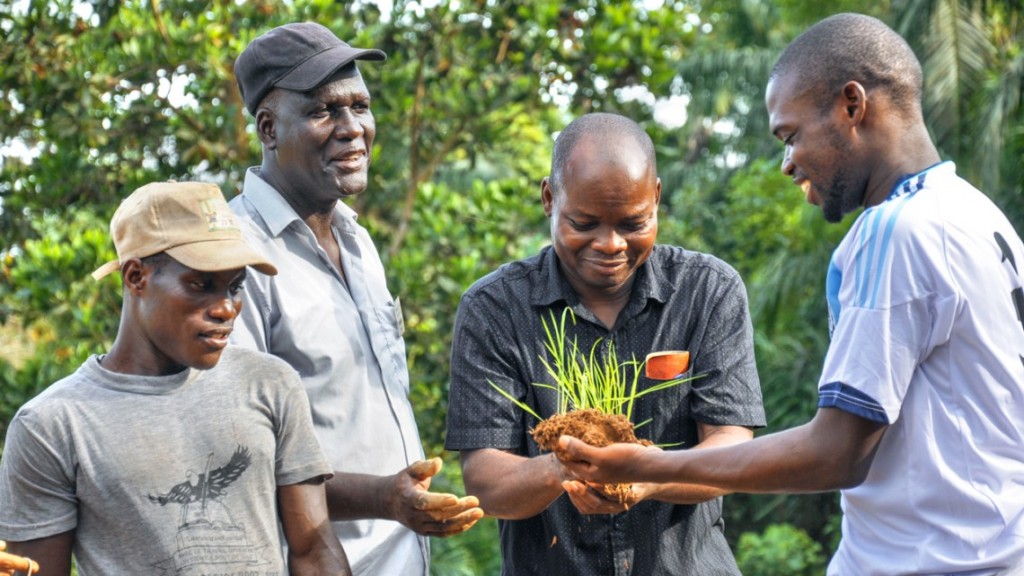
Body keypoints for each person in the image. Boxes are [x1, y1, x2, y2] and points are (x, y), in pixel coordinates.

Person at [558, 13, 1024, 576]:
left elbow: (837, 453)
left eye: (791, 135)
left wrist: (649, 467)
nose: (786, 163)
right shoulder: (977, 215)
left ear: (852, 105)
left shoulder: (898, 231)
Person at [444, 112, 766, 575]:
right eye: (585, 222)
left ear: (656, 198)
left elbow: (731, 447)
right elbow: (487, 480)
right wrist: (565, 468)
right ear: (549, 198)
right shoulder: (494, 309)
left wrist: (650, 474)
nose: (611, 244)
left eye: (633, 223)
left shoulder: (708, 291)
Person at [227, 21, 483, 576]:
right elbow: (240, 459)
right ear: (268, 128)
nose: (353, 129)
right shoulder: (232, 257)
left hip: (401, 560)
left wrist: (399, 504)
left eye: (360, 106)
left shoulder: (357, 239)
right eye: (325, 112)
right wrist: (385, 499)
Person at [0, 181, 349, 574]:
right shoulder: (52, 426)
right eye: (201, 285)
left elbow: (314, 550)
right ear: (136, 277)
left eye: (235, 287)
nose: (226, 309)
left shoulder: (269, 385)